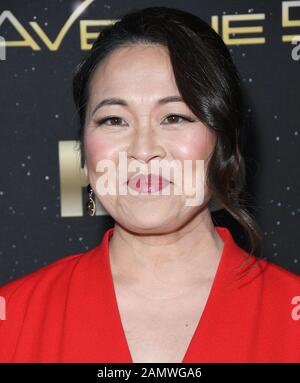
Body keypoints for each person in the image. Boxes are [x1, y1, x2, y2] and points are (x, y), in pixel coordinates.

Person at [0, 6, 299, 363]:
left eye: (174, 117)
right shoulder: (13, 317)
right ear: (84, 149)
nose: (142, 150)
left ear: (224, 143)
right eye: (114, 119)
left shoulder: (289, 314)